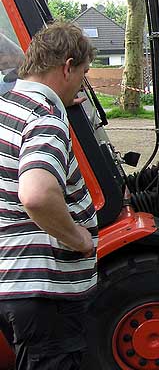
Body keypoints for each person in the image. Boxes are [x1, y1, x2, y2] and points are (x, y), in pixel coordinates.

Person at [0, 22, 97, 369]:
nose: (81, 83)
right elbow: (37, 195)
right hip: (46, 291)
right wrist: (79, 238)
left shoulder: (10, 107)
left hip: (16, 284)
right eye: (82, 73)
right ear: (67, 66)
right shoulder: (43, 117)